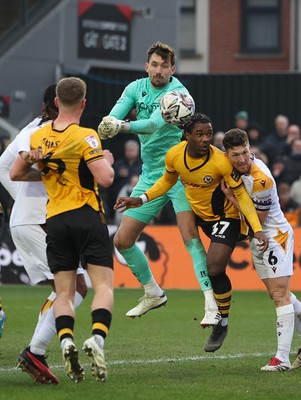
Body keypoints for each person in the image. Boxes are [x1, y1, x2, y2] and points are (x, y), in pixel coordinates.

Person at [114, 112, 268, 353]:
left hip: (224, 217)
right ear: (186, 136)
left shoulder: (221, 161)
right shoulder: (174, 155)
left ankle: (221, 321)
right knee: (137, 240)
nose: (206, 139)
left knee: (215, 267)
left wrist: (256, 229)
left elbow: (240, 196)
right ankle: (159, 294)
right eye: (200, 134)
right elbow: (166, 181)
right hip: (200, 216)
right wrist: (140, 199)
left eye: (209, 133)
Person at [98, 41, 220, 327]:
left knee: (190, 238)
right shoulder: (135, 88)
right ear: (146, 66)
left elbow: (153, 124)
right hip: (152, 174)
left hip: (181, 173)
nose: (158, 70)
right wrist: (109, 123)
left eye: (164, 66)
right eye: (154, 64)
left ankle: (211, 303)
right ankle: (153, 292)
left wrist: (122, 127)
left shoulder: (179, 94)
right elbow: (117, 112)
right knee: (122, 240)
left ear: (172, 69)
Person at [10, 77, 115, 383]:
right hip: (86, 215)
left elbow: (16, 172)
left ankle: (66, 339)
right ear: (83, 103)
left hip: (55, 220)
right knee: (103, 286)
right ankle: (96, 339)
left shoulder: (38, 136)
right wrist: (105, 160)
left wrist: (37, 162)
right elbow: (106, 179)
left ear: (56, 102)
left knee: (64, 291)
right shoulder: (86, 136)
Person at [0, 83, 89, 384]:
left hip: (32, 219)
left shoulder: (31, 128)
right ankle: (35, 352)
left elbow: (3, 166)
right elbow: (18, 169)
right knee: (75, 288)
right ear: (54, 104)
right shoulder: (44, 132)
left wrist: (22, 196)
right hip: (38, 221)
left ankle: (38, 350)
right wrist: (34, 196)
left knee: (66, 288)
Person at [222, 128, 301, 371]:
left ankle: (282, 358)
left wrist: (231, 198)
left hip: (274, 235)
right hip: (257, 240)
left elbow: (260, 218)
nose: (242, 159)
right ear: (227, 155)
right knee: (279, 295)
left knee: (280, 295)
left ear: (250, 148)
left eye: (245, 152)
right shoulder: (228, 167)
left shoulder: (262, 178)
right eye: (236, 155)